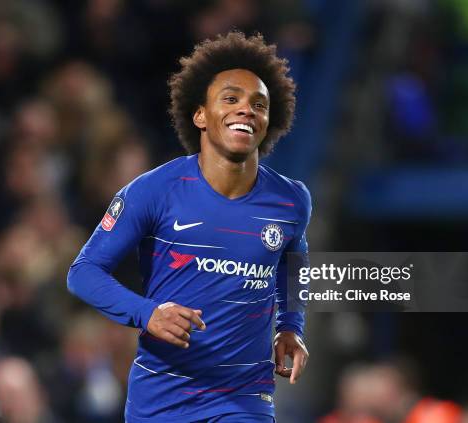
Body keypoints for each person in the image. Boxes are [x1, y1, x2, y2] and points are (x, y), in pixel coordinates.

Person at [67, 31, 311, 423]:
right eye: (231, 99)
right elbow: (83, 273)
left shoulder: (291, 200)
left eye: (259, 104)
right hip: (162, 396)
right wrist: (147, 314)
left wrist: (290, 326)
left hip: (244, 397)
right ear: (200, 115)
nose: (247, 109)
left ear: (269, 120)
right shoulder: (153, 191)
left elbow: (292, 263)